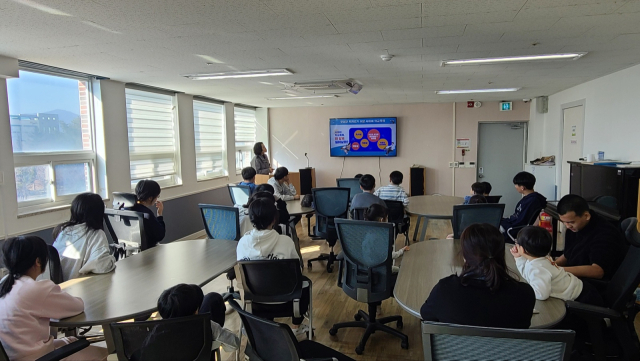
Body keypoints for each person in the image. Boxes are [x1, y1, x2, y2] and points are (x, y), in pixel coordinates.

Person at [0, 236, 108, 361]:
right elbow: (77, 306)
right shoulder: (37, 289)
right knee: (103, 353)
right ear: (38, 261)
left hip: (16, 354)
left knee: (72, 340)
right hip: (38, 357)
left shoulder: (4, 284)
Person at [420, 223, 536, 329]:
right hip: (507, 352)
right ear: (502, 253)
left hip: (457, 351)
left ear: (465, 256)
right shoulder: (525, 294)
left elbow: (426, 315)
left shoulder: (445, 290)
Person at [236, 198, 309, 335]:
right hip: (287, 302)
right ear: (275, 219)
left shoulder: (242, 243)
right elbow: (297, 272)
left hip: (255, 302)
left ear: (251, 219)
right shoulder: (285, 242)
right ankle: (295, 328)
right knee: (305, 283)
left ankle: (264, 329)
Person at [511, 226, 602, 305]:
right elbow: (527, 274)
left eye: (517, 242)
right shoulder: (542, 258)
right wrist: (519, 258)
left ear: (523, 249)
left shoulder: (538, 268)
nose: (516, 244)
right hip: (580, 288)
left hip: (582, 296)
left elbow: (542, 294)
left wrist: (524, 292)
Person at [554, 194, 627, 280]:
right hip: (575, 277)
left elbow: (598, 271)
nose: (567, 226)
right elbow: (567, 255)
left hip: (595, 284)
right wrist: (553, 265)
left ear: (586, 216)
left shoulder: (605, 234)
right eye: (564, 222)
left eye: (571, 222)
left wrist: (559, 270)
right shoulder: (575, 228)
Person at [154, 284, 239, 354]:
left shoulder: (155, 332)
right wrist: (214, 342)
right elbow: (234, 343)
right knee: (213, 299)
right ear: (196, 311)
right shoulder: (207, 325)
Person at [52, 193, 116, 281]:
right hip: (78, 286)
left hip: (61, 286)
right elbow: (100, 265)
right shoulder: (96, 233)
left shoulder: (62, 230)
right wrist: (112, 259)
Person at [499, 171, 547, 240]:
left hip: (514, 229)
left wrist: (505, 224)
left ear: (522, 187)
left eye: (516, 184)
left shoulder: (532, 201)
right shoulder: (530, 198)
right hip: (512, 224)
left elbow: (521, 222)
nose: (515, 186)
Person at [363, 204, 409, 273]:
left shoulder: (365, 233)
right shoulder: (380, 238)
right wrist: (401, 251)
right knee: (403, 271)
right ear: (381, 220)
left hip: (367, 269)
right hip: (380, 272)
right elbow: (388, 256)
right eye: (387, 218)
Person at [126, 179, 166, 248]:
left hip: (130, 248)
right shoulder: (147, 214)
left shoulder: (127, 209)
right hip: (147, 250)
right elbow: (160, 235)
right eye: (157, 196)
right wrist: (159, 214)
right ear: (150, 198)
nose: (157, 199)